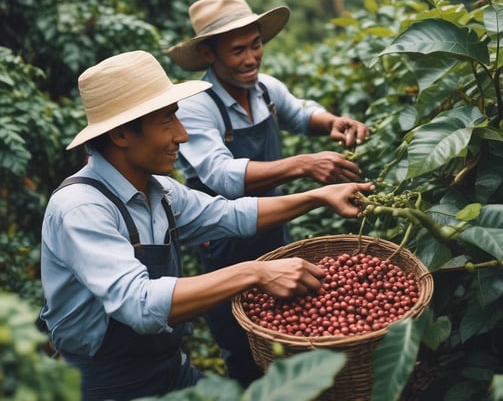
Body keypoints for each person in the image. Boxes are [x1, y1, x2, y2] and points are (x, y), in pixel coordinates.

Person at [39, 50, 374, 400]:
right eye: (167, 122)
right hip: (104, 384)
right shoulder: (81, 209)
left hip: (169, 367)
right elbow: (140, 303)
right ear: (122, 135)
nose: (182, 135)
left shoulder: (161, 192)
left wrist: (318, 197)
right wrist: (256, 273)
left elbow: (230, 215)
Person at [166, 0, 371, 386]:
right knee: (241, 343)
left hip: (273, 229)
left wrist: (331, 122)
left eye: (255, 45)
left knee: (290, 327)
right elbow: (222, 176)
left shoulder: (264, 89)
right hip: (225, 242)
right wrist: (303, 165)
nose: (250, 59)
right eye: (237, 50)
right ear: (209, 55)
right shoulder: (196, 107)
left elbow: (301, 111)